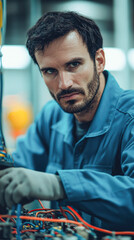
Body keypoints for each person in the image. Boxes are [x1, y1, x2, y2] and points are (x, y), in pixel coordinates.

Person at [0, 11, 134, 231]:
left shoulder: (129, 118)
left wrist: (58, 185)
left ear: (99, 61)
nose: (64, 84)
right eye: (50, 71)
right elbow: (17, 171)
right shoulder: (51, 118)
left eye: (73, 65)